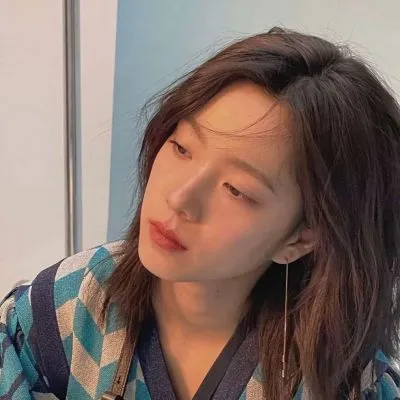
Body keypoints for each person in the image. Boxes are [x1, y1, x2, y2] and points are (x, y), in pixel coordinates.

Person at [1, 26, 400, 400]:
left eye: (236, 189)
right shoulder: (65, 311)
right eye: (181, 148)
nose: (179, 198)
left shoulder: (341, 378)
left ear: (299, 238)